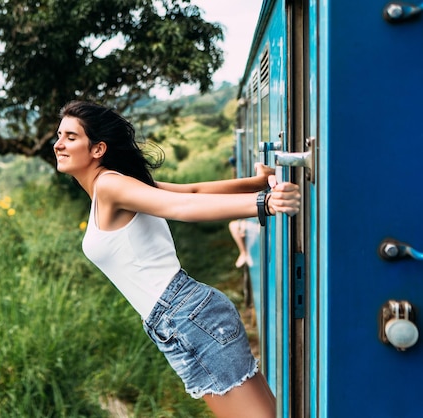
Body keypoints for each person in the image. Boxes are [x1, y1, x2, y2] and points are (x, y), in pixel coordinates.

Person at [53, 101, 301, 418]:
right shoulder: (116, 186)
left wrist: (264, 202)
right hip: (182, 319)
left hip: (185, 317)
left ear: (98, 148)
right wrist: (255, 184)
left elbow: (182, 208)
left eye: (70, 137)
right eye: (60, 135)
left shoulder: (109, 184)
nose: (58, 144)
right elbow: (192, 192)